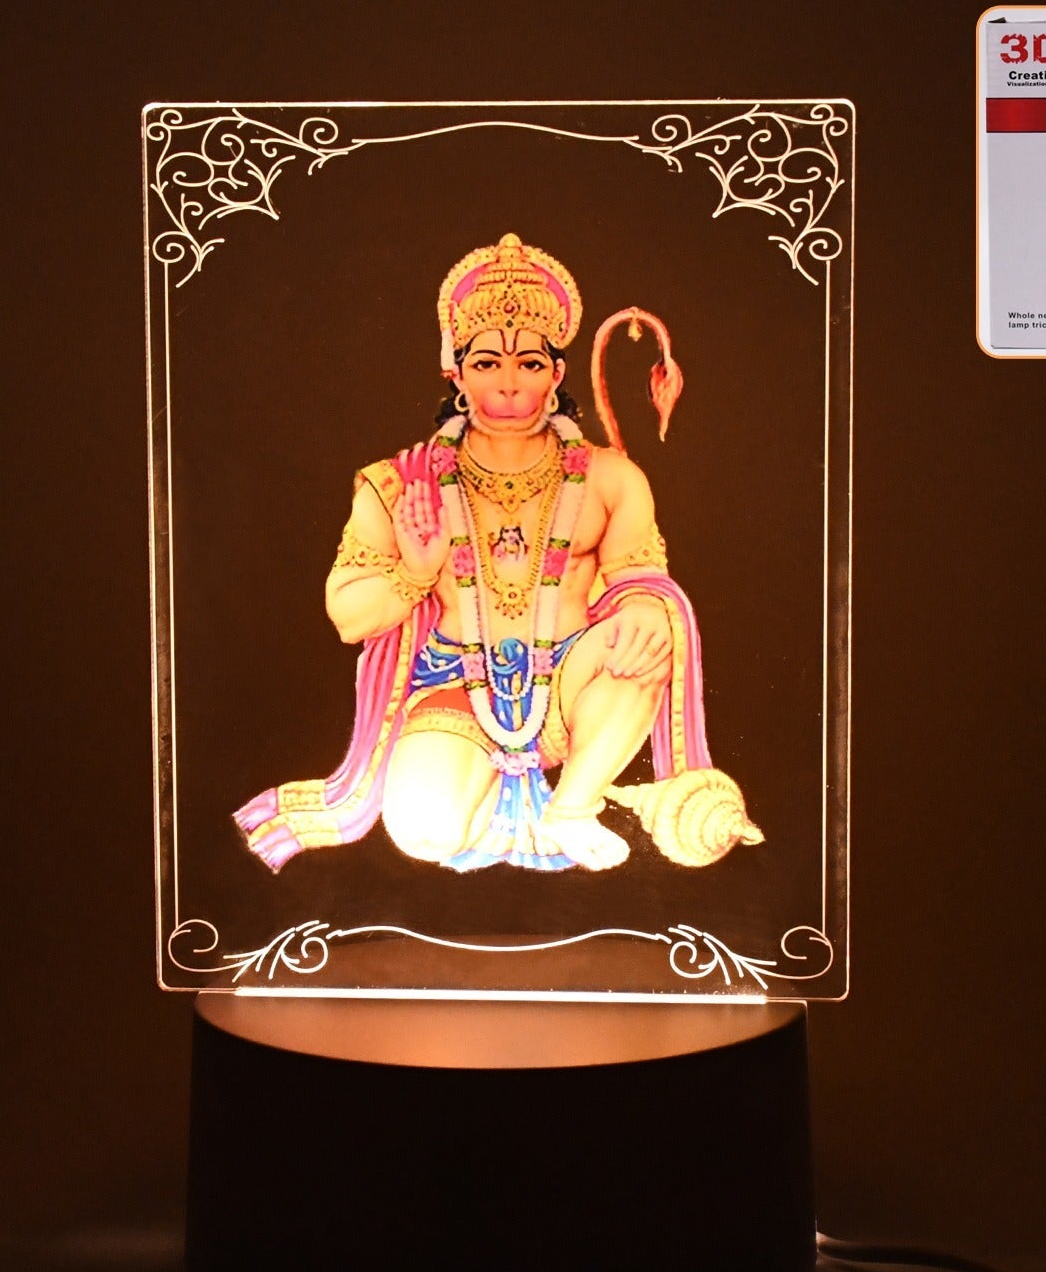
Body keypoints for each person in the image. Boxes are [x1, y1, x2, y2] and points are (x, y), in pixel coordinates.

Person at [235, 234, 761, 873]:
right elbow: (349, 617)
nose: (509, 385)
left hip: (570, 686)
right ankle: (508, 802)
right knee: (424, 832)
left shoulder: (610, 479)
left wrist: (649, 607)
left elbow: (641, 578)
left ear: (557, 373)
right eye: (487, 364)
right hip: (456, 686)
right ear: (456, 374)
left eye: (530, 364)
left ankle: (572, 805)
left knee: (652, 633)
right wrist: (416, 572)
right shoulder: (400, 484)